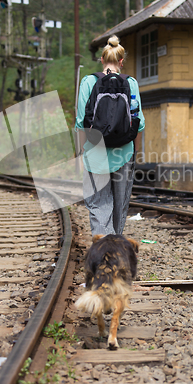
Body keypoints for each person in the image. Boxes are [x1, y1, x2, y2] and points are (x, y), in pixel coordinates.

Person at [76, 35, 145, 237]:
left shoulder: (88, 81)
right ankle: (115, 251)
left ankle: (103, 252)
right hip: (123, 153)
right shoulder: (131, 83)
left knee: (98, 205)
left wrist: (81, 153)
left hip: (95, 152)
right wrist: (135, 154)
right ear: (121, 62)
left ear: (101, 59)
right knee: (119, 207)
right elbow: (139, 122)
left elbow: (81, 122)